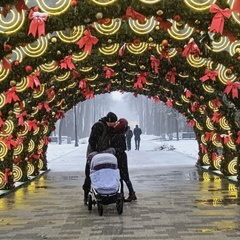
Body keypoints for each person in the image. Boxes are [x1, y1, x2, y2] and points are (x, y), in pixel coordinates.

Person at [82, 112, 118, 205]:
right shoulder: (99, 126)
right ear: (110, 121)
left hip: (104, 155)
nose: (115, 124)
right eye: (114, 122)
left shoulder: (108, 128)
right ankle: (86, 194)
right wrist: (96, 151)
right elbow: (92, 140)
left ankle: (106, 192)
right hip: (94, 155)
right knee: (90, 174)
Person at [111, 118, 137, 202]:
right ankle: (130, 193)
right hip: (121, 156)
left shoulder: (119, 135)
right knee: (124, 177)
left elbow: (121, 147)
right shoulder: (121, 133)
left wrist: (114, 149)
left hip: (119, 157)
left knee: (121, 177)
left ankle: (123, 195)